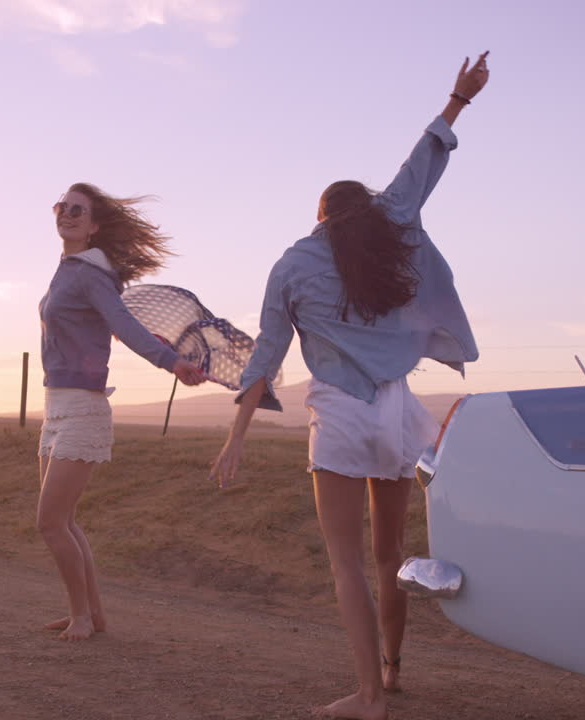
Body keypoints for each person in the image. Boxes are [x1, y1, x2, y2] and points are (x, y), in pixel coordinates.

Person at [210, 54, 490, 719]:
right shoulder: (389, 227)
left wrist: (236, 435)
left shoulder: (293, 262)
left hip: (340, 413)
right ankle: (391, 672)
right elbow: (420, 164)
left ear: (319, 216)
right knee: (389, 552)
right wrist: (459, 96)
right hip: (399, 411)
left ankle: (368, 696)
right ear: (362, 212)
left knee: (345, 563)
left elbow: (267, 358)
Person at [38, 182, 206, 641]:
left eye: (78, 210)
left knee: (50, 522)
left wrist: (172, 363)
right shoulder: (68, 269)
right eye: (62, 206)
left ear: (93, 226)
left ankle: (82, 617)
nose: (67, 213)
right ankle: (91, 613)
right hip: (55, 406)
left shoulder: (91, 274)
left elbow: (124, 325)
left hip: (83, 409)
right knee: (66, 521)